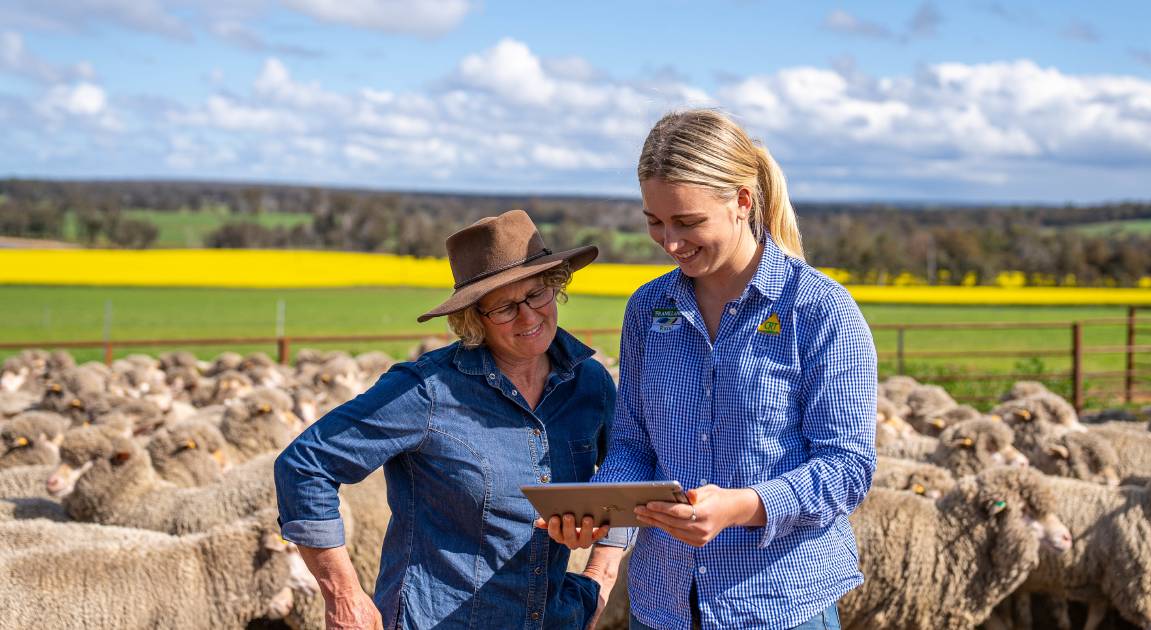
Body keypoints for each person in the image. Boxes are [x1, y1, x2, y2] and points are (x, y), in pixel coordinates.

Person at [544, 109, 877, 630]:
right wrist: (600, 514)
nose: (670, 243)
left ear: (742, 201)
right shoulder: (648, 310)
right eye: (655, 222)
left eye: (688, 222)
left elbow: (847, 467)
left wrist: (741, 506)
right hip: (663, 603)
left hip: (779, 603)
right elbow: (634, 444)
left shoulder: (817, 310)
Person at [275, 209, 625, 629]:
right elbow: (305, 465)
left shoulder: (589, 383)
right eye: (505, 308)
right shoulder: (426, 390)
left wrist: (600, 575)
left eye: (537, 294)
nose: (529, 316)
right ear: (472, 318)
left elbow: (628, 472)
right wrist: (344, 596)